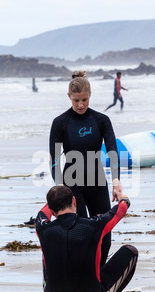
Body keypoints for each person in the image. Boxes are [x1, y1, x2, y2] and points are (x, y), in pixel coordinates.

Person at [49, 71, 122, 265]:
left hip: (97, 181)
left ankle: (98, 273)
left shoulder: (101, 120)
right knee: (80, 234)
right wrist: (58, 187)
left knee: (104, 232)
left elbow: (112, 150)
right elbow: (54, 158)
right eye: (76, 101)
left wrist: (116, 180)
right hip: (72, 186)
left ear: (90, 96)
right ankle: (83, 273)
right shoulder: (60, 123)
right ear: (69, 98)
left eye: (84, 100)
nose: (80, 105)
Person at [35, 185, 138, 292]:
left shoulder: (42, 227)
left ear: (51, 209)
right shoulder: (95, 225)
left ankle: (58, 291)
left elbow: (41, 213)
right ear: (74, 201)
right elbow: (118, 212)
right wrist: (124, 199)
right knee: (130, 251)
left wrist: (54, 199)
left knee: (49, 248)